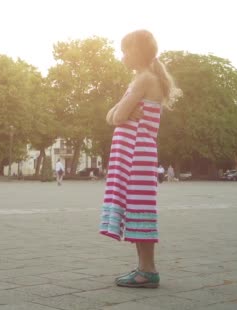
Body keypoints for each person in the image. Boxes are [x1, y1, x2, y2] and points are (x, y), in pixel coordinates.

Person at [101, 29, 182, 289]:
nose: (122, 55)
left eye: (125, 50)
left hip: (136, 152)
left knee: (140, 207)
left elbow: (117, 115)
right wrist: (118, 113)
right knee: (137, 207)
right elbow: (111, 116)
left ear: (137, 52)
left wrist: (119, 112)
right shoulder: (141, 80)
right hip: (135, 152)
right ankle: (143, 269)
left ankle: (148, 271)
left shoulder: (143, 80)